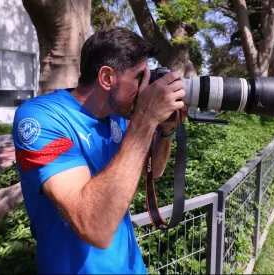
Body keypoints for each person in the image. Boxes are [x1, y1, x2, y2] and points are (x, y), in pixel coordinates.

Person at [12, 27, 186, 274]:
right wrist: (146, 118)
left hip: (131, 267)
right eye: (139, 78)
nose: (146, 88)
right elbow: (94, 227)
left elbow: (154, 171)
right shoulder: (41, 118)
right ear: (106, 78)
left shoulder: (119, 118)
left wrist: (165, 130)